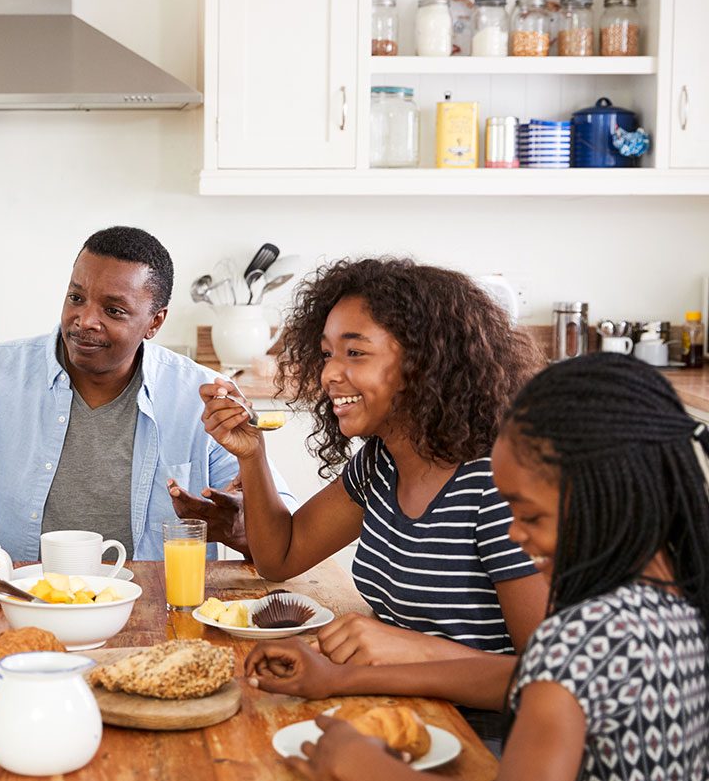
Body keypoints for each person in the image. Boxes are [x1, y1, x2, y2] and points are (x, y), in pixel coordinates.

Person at [247, 354, 709, 781]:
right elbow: (532, 676)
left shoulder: (582, 634)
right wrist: (340, 679)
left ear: (610, 497)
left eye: (530, 515)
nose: (513, 534)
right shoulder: (675, 609)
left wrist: (366, 767)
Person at [200, 258, 548, 668]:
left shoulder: (497, 485)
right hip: (396, 704)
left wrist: (406, 651)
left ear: (424, 362)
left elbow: (549, 676)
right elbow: (281, 558)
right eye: (327, 353)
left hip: (482, 732)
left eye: (355, 352)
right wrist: (252, 454)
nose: (329, 372)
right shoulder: (380, 465)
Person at [0, 226, 295, 562]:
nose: (84, 320)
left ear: (154, 323)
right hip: (11, 606)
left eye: (114, 310)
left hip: (154, 613)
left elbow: (281, 538)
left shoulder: (199, 395)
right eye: (76, 297)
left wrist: (238, 527)